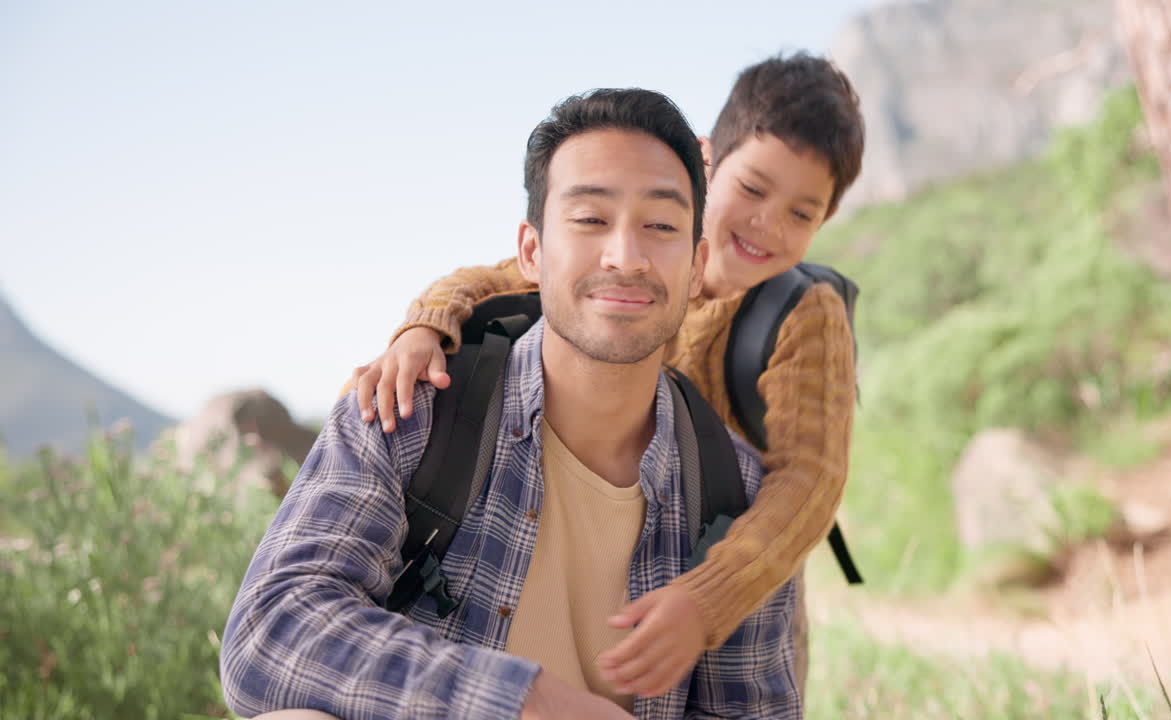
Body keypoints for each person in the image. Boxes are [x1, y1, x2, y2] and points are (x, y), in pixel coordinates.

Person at [221, 87, 800, 720]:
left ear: (695, 265)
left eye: (660, 226)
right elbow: (269, 632)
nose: (626, 257)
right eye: (590, 220)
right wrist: (524, 702)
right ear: (531, 252)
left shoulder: (734, 492)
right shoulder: (410, 411)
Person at [350, 52, 864, 697]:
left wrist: (708, 600)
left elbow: (810, 478)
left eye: (801, 213)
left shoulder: (803, 314)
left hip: (728, 573)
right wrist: (424, 328)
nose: (767, 224)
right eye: (754, 189)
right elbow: (493, 279)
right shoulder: (631, 264)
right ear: (707, 163)